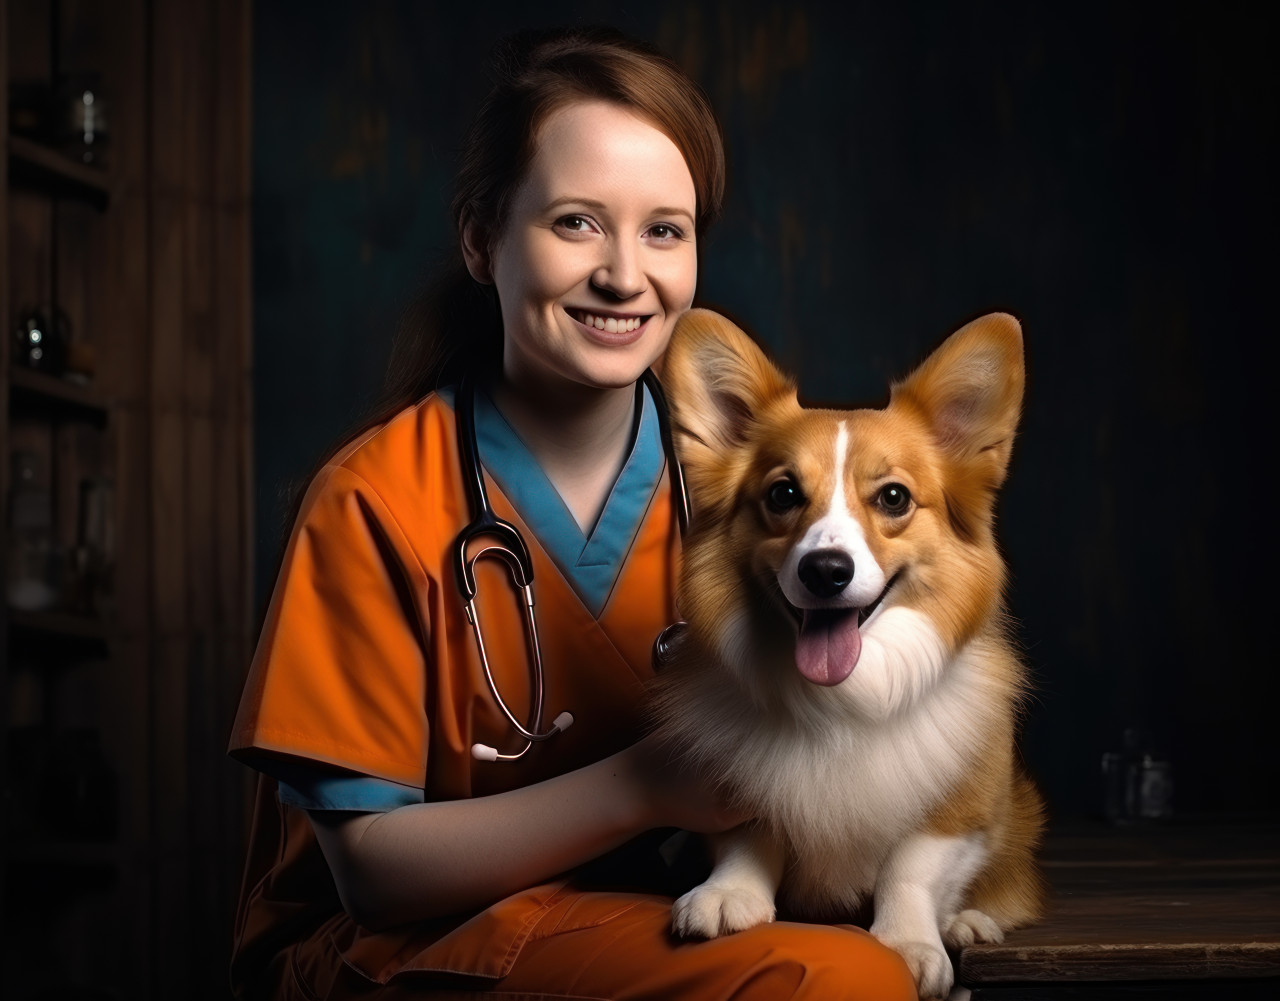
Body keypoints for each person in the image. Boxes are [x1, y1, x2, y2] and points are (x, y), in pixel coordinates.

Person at [228, 26, 916, 1001]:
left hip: (643, 906)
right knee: (838, 984)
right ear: (480, 238)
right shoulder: (376, 500)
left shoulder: (747, 494)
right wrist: (646, 785)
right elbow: (370, 873)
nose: (624, 274)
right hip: (396, 945)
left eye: (663, 230)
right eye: (575, 223)